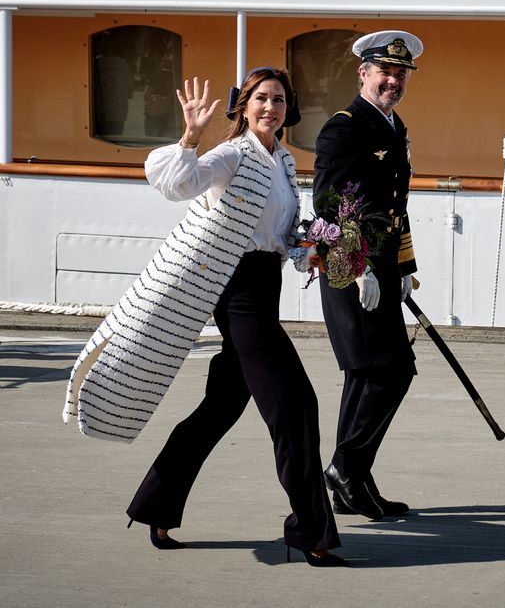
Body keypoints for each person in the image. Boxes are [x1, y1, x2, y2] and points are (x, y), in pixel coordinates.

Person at [63, 68, 345, 567]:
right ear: (243, 106)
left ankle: (157, 505)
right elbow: (177, 184)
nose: (271, 108)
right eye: (261, 98)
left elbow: (277, 238)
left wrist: (312, 248)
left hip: (265, 284)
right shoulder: (232, 154)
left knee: (219, 409)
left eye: (279, 100)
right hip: (238, 295)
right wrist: (191, 135)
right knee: (295, 406)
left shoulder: (281, 161)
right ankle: (312, 533)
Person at [314, 30, 421, 521]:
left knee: (366, 374)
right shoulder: (345, 127)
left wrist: (403, 267)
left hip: (378, 268)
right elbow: (331, 203)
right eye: (384, 71)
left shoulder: (395, 127)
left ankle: (350, 480)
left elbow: (395, 206)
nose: (393, 80)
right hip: (348, 268)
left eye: (400, 74)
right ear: (363, 74)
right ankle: (346, 467)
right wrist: (356, 266)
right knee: (391, 372)